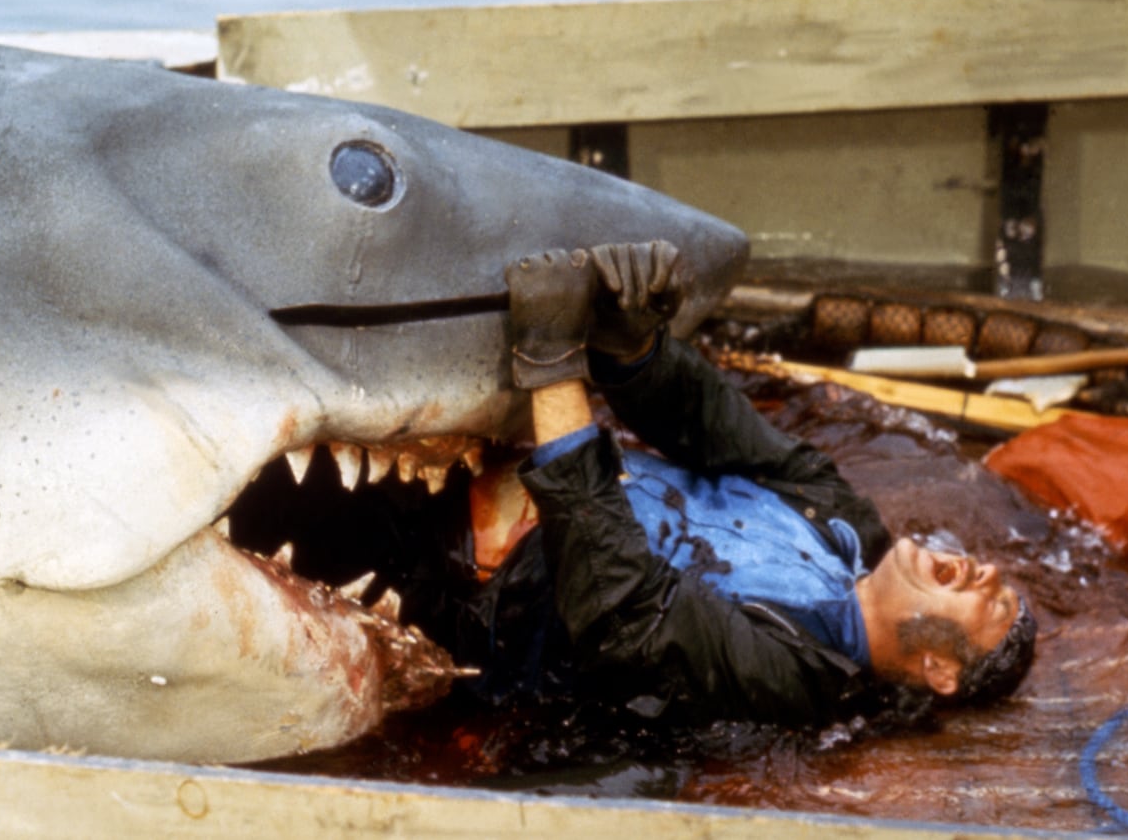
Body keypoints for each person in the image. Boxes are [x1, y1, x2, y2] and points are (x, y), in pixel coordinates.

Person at [412, 241, 1036, 728]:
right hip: (457, 462)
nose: (985, 571)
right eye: (996, 575)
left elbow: (624, 612)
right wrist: (632, 347)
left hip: (442, 574)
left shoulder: (796, 681)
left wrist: (552, 362)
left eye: (995, 603)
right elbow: (714, 425)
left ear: (940, 670)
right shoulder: (847, 522)